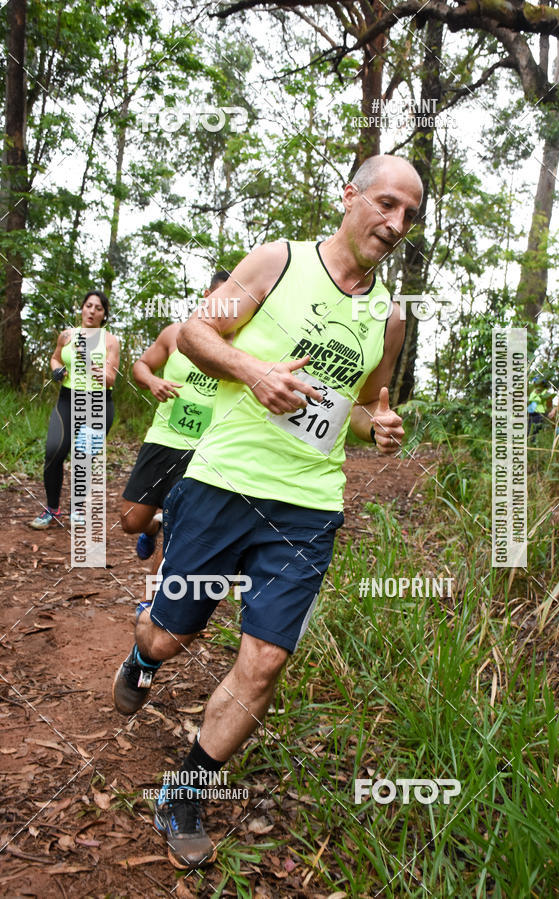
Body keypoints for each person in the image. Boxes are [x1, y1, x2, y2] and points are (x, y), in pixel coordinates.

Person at [112, 154, 423, 869]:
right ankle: (141, 651)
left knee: (268, 658)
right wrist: (253, 373)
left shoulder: (390, 317)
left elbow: (361, 408)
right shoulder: (278, 260)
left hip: (311, 502)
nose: (396, 223)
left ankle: (185, 790)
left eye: (409, 214)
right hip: (224, 482)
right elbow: (194, 332)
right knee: (170, 640)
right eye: (385, 203)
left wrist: (377, 425)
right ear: (350, 196)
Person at [120, 271, 229, 560]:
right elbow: (141, 365)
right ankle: (150, 528)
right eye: (221, 299)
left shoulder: (239, 346)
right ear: (207, 296)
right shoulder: (176, 333)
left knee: (177, 524)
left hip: (202, 449)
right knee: (130, 521)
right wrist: (153, 381)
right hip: (163, 439)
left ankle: (152, 600)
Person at [29, 291, 120, 529]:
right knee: (53, 452)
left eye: (98, 308)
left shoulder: (110, 341)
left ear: (104, 314)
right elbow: (55, 359)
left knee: (84, 457)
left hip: (98, 404)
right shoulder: (67, 336)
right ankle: (52, 509)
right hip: (67, 401)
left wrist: (96, 369)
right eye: (88, 306)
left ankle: (78, 508)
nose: (92, 311)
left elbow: (111, 379)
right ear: (81, 309)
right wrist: (56, 370)